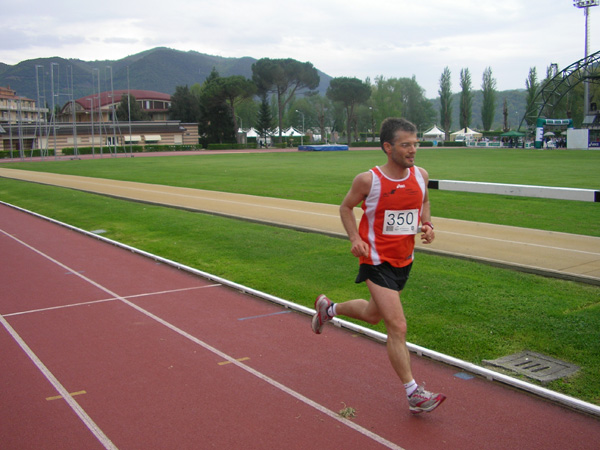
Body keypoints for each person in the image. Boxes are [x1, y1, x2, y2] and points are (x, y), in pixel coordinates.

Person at [311, 117, 446, 415]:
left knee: (373, 315)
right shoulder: (368, 181)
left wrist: (427, 223)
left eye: (415, 144)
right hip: (375, 259)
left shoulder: (420, 175)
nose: (413, 150)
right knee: (397, 325)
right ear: (388, 147)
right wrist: (355, 238)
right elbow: (345, 207)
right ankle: (414, 393)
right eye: (405, 145)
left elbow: (424, 202)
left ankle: (328, 309)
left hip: (404, 259)